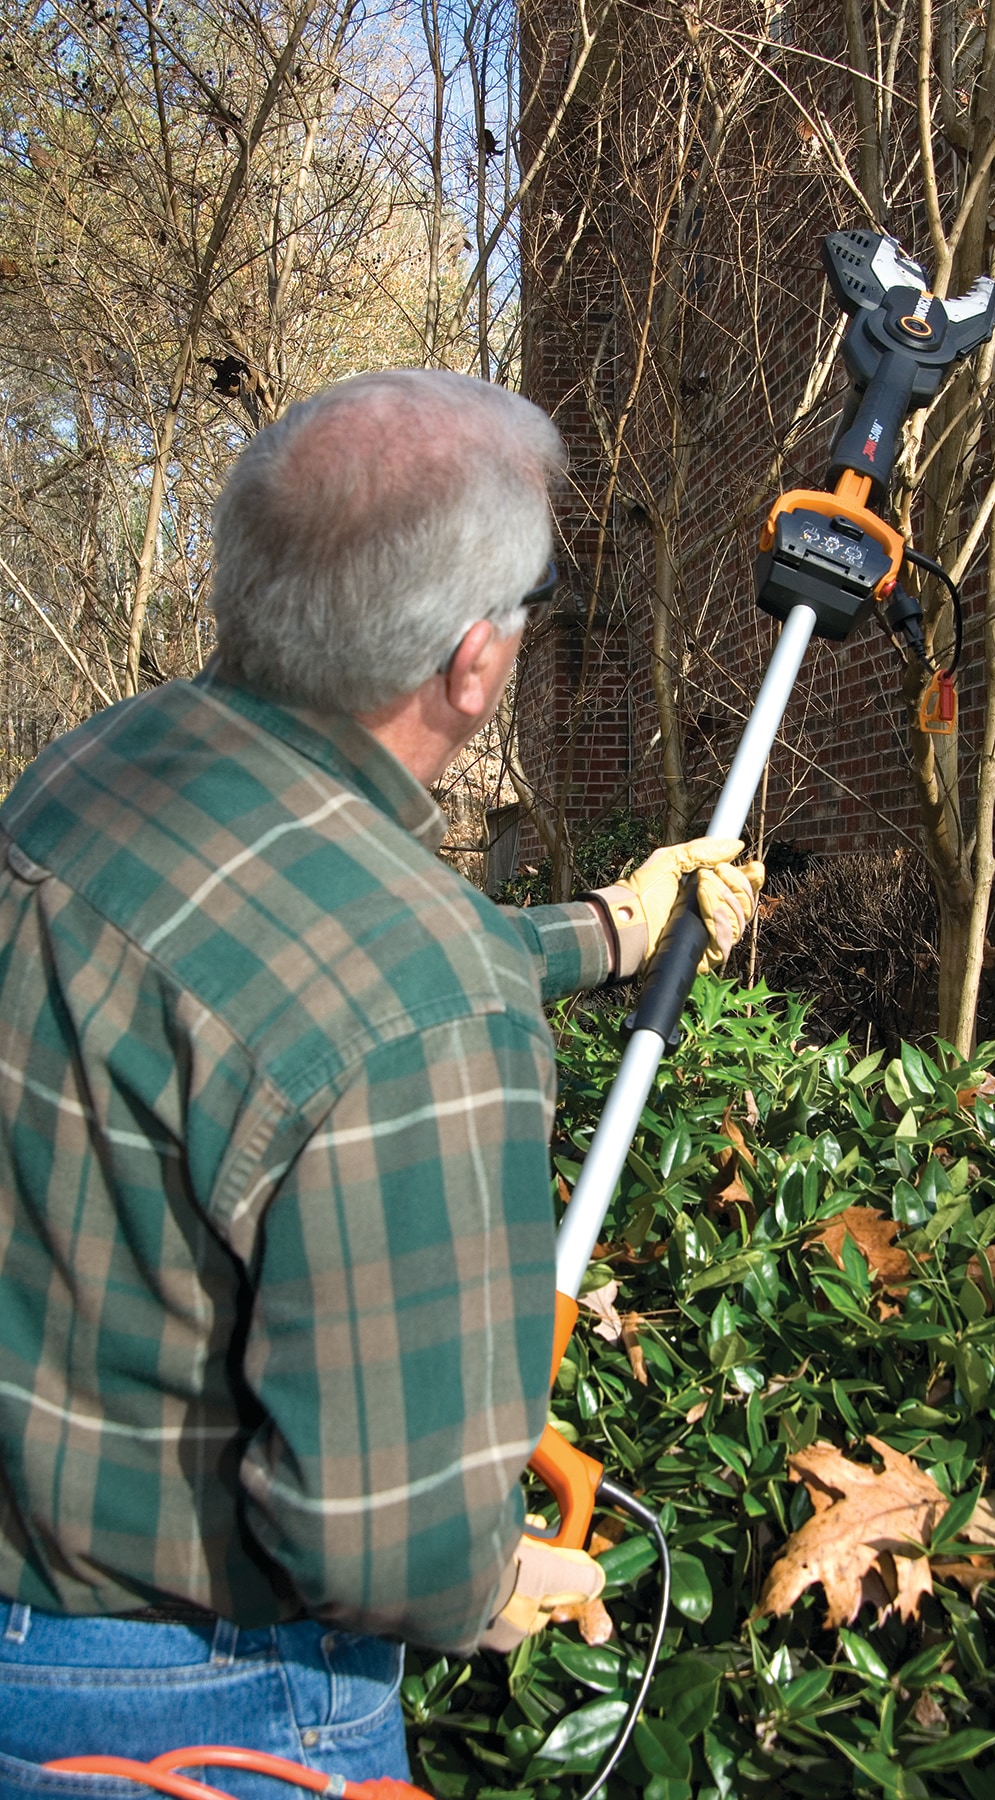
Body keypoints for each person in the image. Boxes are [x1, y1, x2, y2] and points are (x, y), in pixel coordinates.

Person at [0, 370, 763, 1798]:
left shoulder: (95, 774)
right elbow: (382, 1550)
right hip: (197, 1712)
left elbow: (267, 985)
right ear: (474, 663)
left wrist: (611, 929)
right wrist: (483, 1587)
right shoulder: (418, 1005)